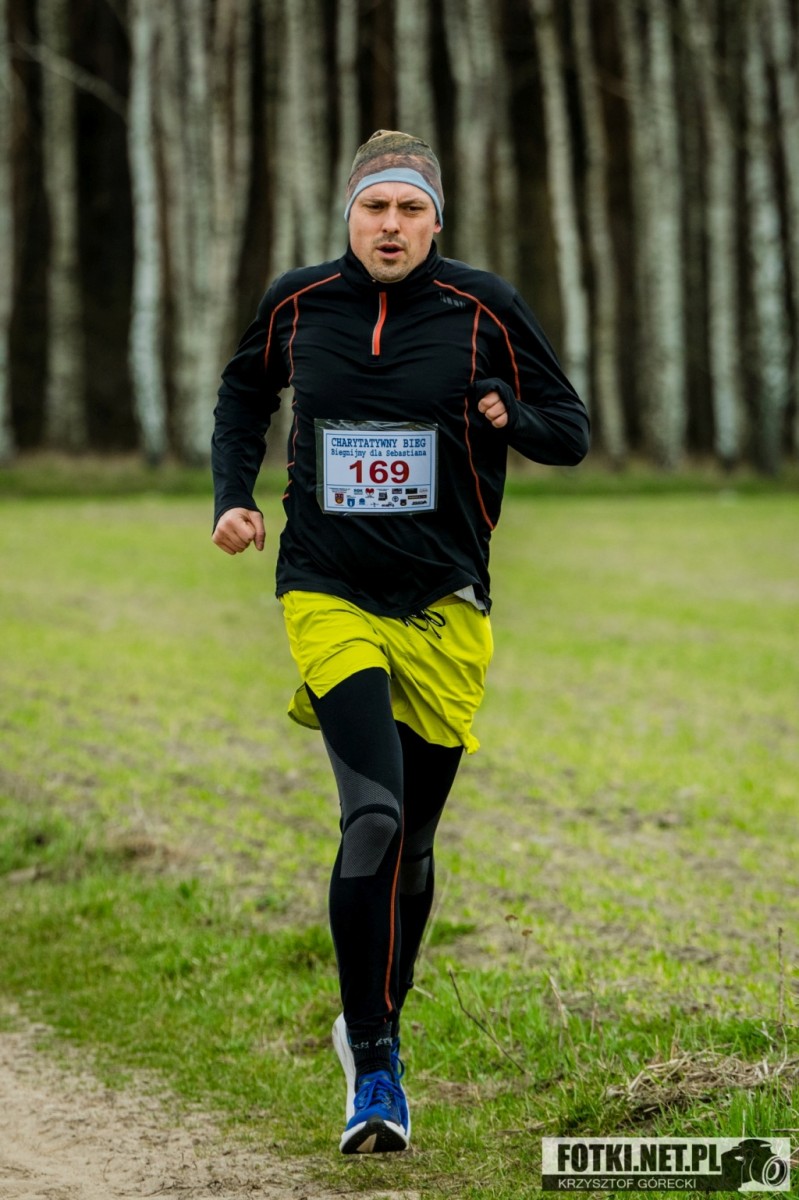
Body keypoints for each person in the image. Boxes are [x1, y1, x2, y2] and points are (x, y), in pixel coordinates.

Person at [211, 130, 590, 1155]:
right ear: (349, 214)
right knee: (371, 818)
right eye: (373, 207)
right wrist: (232, 496)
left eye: (408, 209)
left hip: (445, 602)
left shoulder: (483, 308)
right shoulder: (298, 303)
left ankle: (374, 1014)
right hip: (326, 589)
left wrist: (510, 415)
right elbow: (244, 394)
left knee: (414, 841)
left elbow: (570, 430)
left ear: (435, 220)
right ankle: (375, 1065)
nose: (389, 226)